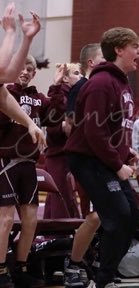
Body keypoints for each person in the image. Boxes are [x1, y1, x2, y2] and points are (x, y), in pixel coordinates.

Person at [64, 28, 139, 288]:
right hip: (88, 159)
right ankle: (101, 278)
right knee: (118, 214)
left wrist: (125, 152)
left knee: (132, 216)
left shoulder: (122, 83)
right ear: (119, 50)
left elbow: (115, 127)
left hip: (104, 157)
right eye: (135, 46)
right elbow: (93, 130)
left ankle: (103, 272)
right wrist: (117, 163)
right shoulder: (101, 83)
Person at [0, 55, 65, 288]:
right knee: (6, 219)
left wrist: (57, 86)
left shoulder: (38, 99)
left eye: (30, 69)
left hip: (29, 164)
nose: (25, 72)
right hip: (5, 161)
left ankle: (21, 266)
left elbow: (56, 116)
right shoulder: (6, 93)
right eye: (22, 68)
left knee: (30, 220)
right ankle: (1, 271)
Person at [63, 44, 105, 288]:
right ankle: (74, 263)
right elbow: (70, 123)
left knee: (114, 215)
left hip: (105, 159)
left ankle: (98, 261)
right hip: (85, 159)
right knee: (94, 216)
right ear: (91, 62)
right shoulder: (80, 87)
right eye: (102, 57)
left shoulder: (106, 86)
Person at [44, 63, 82, 219]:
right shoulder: (59, 96)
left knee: (57, 195)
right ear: (65, 78)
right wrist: (63, 126)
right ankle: (61, 233)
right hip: (57, 154)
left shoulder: (76, 95)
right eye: (77, 73)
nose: (81, 76)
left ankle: (47, 230)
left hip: (69, 152)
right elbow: (51, 126)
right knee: (61, 196)